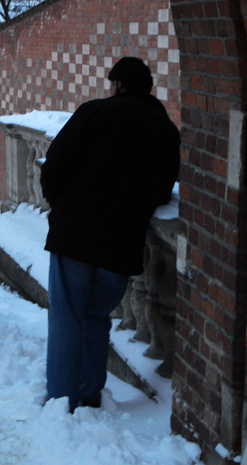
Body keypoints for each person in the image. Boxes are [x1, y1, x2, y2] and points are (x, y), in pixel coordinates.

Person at [40, 56, 180, 411]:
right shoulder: (165, 131)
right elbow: (163, 190)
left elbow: (53, 166)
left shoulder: (95, 113)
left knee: (67, 316)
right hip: (122, 241)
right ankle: (88, 393)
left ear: (117, 85)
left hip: (75, 234)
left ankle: (61, 398)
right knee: (97, 317)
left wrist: (63, 208)